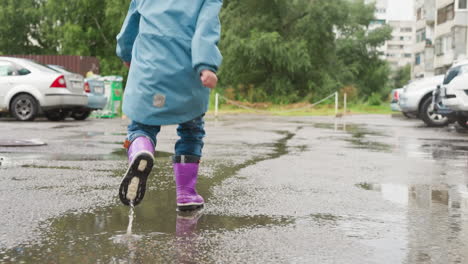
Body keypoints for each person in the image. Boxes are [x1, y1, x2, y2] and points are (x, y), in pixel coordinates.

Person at [116, 0, 223, 211]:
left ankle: (141, 150)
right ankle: (186, 195)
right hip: (186, 74)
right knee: (191, 132)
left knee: (141, 126)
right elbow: (206, 28)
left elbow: (130, 27)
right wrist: (206, 65)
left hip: (149, 69)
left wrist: (126, 54)